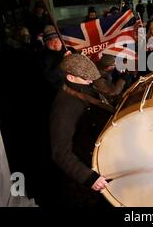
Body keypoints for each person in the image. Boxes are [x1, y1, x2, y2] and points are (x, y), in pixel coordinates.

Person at [50, 54, 112, 207]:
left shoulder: (84, 89)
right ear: (70, 78)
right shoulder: (64, 108)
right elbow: (60, 153)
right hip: (87, 181)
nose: (91, 81)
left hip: (101, 162)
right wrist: (89, 178)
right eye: (86, 78)